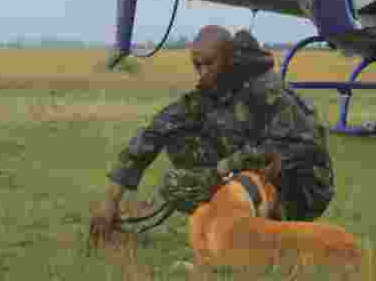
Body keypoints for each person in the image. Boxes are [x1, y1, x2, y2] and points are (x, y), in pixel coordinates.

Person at [88, 25, 334, 246]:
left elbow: (300, 149)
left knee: (218, 175)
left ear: (228, 60)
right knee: (177, 166)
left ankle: (257, 233)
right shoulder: (209, 92)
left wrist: (225, 167)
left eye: (209, 63)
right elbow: (154, 132)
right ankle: (127, 227)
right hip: (258, 182)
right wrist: (111, 199)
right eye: (197, 65)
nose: (202, 72)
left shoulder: (265, 90)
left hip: (302, 188)